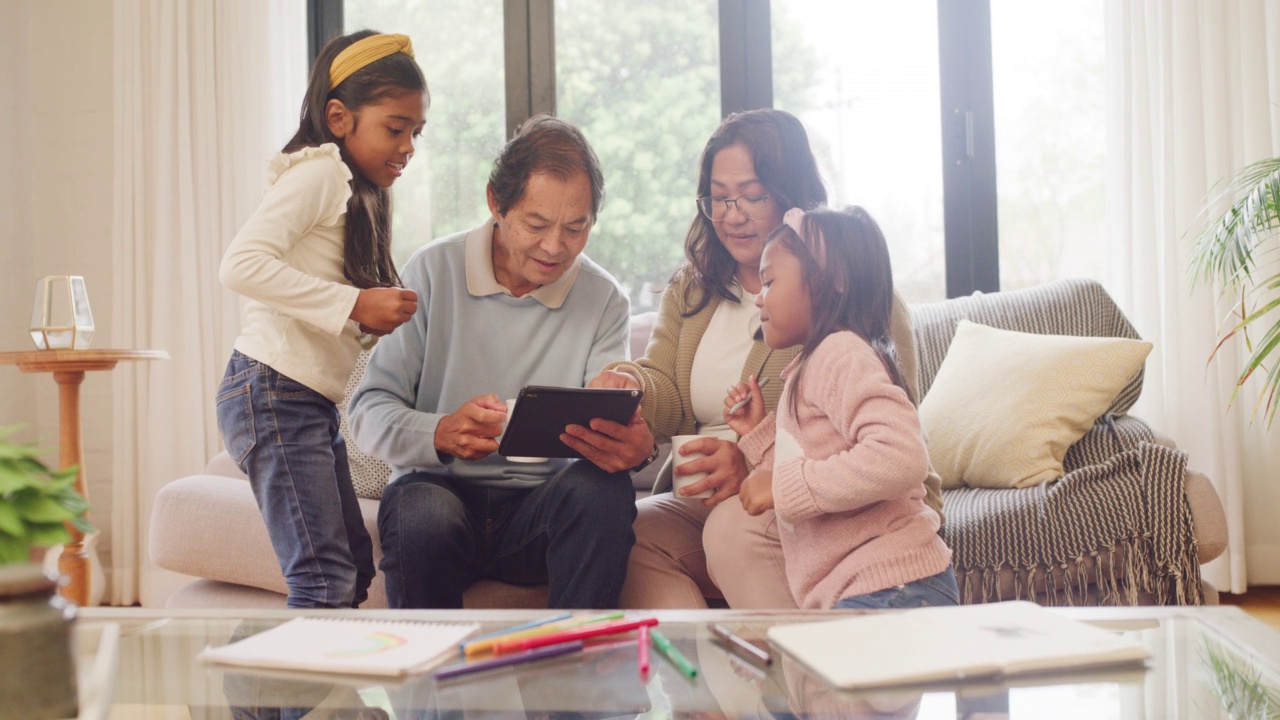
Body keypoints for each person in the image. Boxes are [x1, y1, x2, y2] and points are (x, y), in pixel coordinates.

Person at [591, 108, 943, 609]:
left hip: (814, 505)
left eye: (753, 196)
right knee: (629, 536)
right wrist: (629, 383)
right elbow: (664, 385)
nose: (732, 214)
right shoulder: (692, 289)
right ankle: (706, 675)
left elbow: (888, 440)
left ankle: (791, 674)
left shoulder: (850, 297)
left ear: (792, 194)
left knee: (735, 527)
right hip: (705, 499)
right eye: (719, 197)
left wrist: (754, 466)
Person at [346, 114, 655, 610]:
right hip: (438, 495)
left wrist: (631, 443)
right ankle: (429, 680)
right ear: (496, 202)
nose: (556, 247)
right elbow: (367, 410)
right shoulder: (430, 272)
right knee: (421, 511)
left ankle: (575, 665)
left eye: (576, 228)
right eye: (537, 224)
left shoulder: (603, 299)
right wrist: (439, 433)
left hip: (542, 512)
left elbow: (608, 415)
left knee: (604, 491)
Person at [215, 30, 425, 609]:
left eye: (416, 132)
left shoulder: (359, 193)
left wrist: (366, 322)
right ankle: (277, 696)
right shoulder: (319, 174)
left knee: (351, 571)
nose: (408, 145)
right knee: (324, 579)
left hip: (301, 397)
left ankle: (270, 695)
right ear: (339, 117)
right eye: (395, 127)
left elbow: (317, 302)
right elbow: (241, 265)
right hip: (272, 390)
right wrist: (356, 305)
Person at [725, 206, 956, 610]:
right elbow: (817, 460)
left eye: (770, 281)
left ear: (831, 281)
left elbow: (900, 455)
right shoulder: (813, 364)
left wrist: (781, 487)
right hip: (868, 589)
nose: (758, 297)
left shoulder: (840, 353)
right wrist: (758, 436)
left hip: (892, 585)